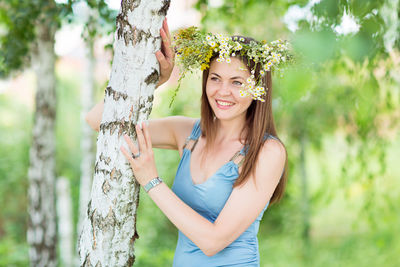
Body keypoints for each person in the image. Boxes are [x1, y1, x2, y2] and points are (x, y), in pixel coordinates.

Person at [86, 19, 288, 267]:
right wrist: (153, 82)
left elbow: (213, 242)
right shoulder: (187, 133)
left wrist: (152, 181)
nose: (223, 91)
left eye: (237, 82)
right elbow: (97, 119)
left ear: (258, 89)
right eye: (215, 78)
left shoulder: (267, 152)